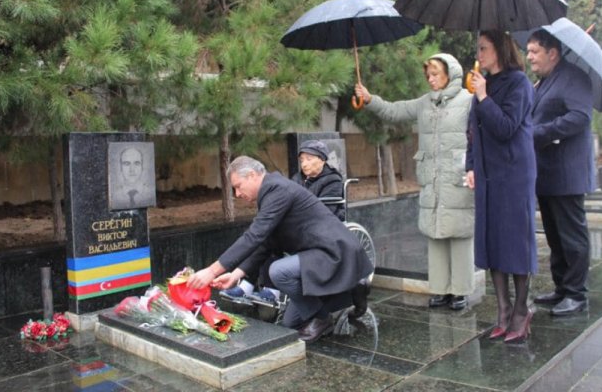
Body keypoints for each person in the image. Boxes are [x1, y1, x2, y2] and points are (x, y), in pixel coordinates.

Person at [186, 156, 373, 343]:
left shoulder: (277, 189)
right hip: (315, 255)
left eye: (238, 186)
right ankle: (352, 287)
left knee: (278, 271)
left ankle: (323, 319)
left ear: (252, 175)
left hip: (334, 252)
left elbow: (254, 236)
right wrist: (235, 275)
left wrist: (211, 271)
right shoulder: (270, 192)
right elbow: (265, 242)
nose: (237, 193)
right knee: (289, 324)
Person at [354, 53, 474, 311]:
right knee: (435, 234)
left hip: (458, 176)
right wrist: (370, 99)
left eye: (435, 74)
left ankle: (461, 291)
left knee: (460, 233)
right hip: (432, 178)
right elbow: (394, 110)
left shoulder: (470, 101)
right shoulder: (424, 103)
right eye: (428, 75)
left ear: (450, 74)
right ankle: (440, 290)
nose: (430, 79)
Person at [466, 30, 537, 343]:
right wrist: (470, 165)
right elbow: (473, 131)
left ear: (500, 49)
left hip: (513, 172)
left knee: (514, 241)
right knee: (493, 240)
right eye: (478, 48)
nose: (479, 53)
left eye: (484, 48)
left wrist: (483, 97)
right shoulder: (482, 83)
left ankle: (522, 310)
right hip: (487, 173)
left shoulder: (519, 83)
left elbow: (507, 127)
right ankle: (503, 311)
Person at [222, 140, 347, 304]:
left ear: (322, 159)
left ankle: (271, 290)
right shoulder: (297, 179)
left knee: (272, 238)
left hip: (320, 229)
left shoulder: (332, 181)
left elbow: (322, 214)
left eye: (310, 159)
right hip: (294, 225)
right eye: (302, 160)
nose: (305, 164)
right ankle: (248, 283)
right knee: (265, 237)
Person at [528, 29, 594, 316]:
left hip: (567, 173)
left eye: (534, 52)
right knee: (554, 236)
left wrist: (542, 133)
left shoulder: (574, 78)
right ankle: (561, 288)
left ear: (552, 53)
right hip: (546, 173)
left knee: (571, 236)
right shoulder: (542, 82)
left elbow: (580, 116)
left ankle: (577, 294)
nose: (529, 57)